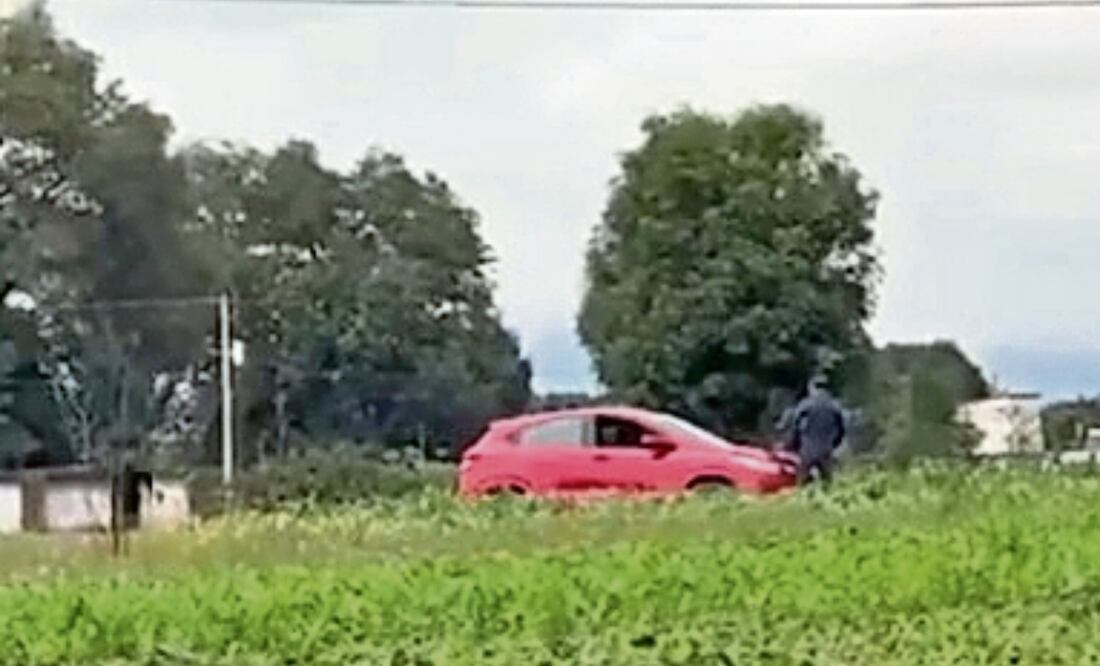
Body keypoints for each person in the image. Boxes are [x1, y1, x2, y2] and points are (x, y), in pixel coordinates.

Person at [789, 375, 846, 486]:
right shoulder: (834, 406)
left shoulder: (805, 405)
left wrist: (794, 445)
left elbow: (795, 427)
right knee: (827, 483)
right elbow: (841, 430)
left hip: (808, 447)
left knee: (802, 482)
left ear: (812, 387)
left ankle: (802, 500)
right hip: (826, 448)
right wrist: (834, 444)